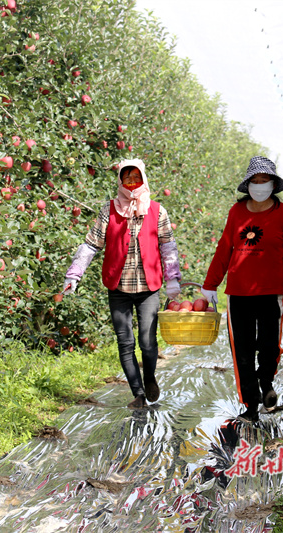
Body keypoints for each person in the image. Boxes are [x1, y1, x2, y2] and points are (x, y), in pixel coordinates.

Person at [201, 156, 283, 422]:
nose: (260, 185)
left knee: (268, 346)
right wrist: (210, 285)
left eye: (265, 181)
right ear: (249, 184)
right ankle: (251, 406)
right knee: (241, 350)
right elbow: (223, 250)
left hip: (270, 293)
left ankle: (267, 385)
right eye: (256, 181)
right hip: (238, 294)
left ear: (273, 185)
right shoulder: (236, 212)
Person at [62, 158, 182, 409]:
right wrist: (74, 274)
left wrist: (172, 279)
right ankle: (138, 393)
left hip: (149, 287)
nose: (130, 182)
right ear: (119, 180)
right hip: (118, 286)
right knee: (125, 342)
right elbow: (91, 244)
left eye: (134, 177)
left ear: (143, 179)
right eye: (125, 177)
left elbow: (167, 246)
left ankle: (149, 378)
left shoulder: (157, 210)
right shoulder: (109, 210)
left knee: (148, 343)